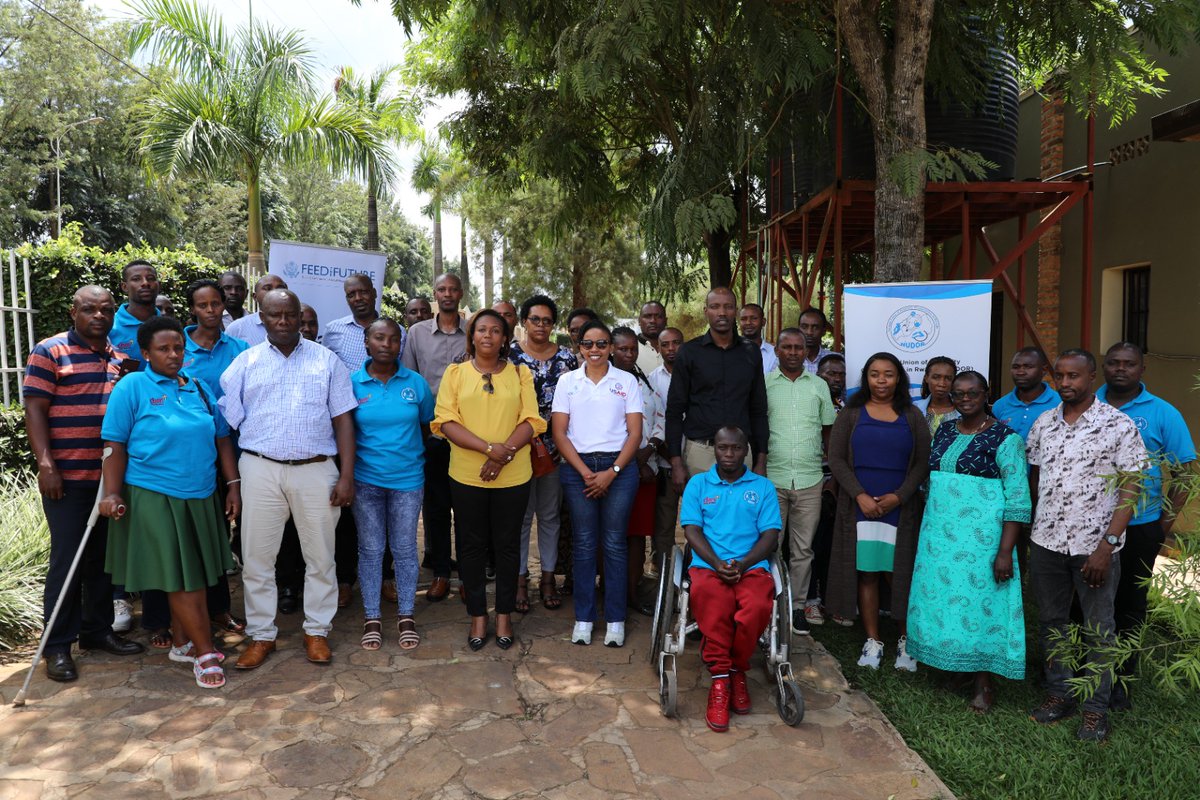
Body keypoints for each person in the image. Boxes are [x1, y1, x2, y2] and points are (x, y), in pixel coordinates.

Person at [219, 289, 358, 670]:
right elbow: (226, 426)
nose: (282, 322)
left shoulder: (327, 361)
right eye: (274, 315)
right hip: (260, 468)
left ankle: (317, 630)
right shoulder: (244, 364)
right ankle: (262, 635)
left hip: (316, 469)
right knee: (258, 560)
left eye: (289, 315)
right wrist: (233, 482)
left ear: (300, 317)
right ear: (260, 318)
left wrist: (346, 475)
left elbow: (343, 419)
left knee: (320, 558)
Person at [99, 316, 240, 689]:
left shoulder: (197, 386)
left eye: (178, 347)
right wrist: (112, 493)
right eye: (163, 349)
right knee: (181, 579)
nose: (173, 354)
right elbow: (115, 444)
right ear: (145, 353)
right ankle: (206, 652)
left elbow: (221, 438)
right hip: (154, 494)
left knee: (197, 572)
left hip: (200, 494)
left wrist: (232, 485)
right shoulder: (132, 386)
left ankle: (182, 642)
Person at [23, 286, 145, 682]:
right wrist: (46, 465)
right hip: (68, 478)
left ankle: (96, 631)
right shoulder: (50, 351)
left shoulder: (122, 359)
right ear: (73, 311)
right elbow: (35, 409)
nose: (98, 316)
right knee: (67, 563)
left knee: (101, 564)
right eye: (89, 309)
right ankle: (57, 645)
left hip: (109, 480)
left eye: (106, 310)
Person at [1026, 349, 1146, 742]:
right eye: (1059, 376)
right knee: (1053, 622)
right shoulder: (1044, 423)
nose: (1064, 383)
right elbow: (1036, 478)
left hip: (1094, 547)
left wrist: (1107, 545)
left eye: (1073, 376)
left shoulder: (1118, 425)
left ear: (1092, 377)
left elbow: (1132, 487)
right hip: (1046, 542)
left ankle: (1095, 709)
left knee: (1099, 629)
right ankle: (1059, 693)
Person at [906, 371, 1030, 713]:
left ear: (986, 393)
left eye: (972, 392)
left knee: (980, 604)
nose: (964, 398)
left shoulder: (1007, 439)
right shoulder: (945, 430)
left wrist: (1005, 551)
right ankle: (952, 667)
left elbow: (1018, 499)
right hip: (940, 539)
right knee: (947, 602)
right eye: (958, 393)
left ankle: (983, 683)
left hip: (982, 542)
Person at [432, 309, 543, 651]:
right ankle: (478, 615)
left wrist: (504, 452)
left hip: (514, 475)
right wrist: (489, 450)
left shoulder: (521, 373)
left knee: (508, 547)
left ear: (505, 338)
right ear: (472, 336)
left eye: (496, 330)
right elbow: (445, 422)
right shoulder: (456, 373)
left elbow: (531, 419)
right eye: (482, 330)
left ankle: (505, 614)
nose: (488, 336)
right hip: (467, 475)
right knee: (472, 546)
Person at [1097, 342, 1195, 711]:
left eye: (1129, 363)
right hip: (1088, 525)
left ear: (1142, 369)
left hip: (1140, 525)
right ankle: (1081, 671)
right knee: (1084, 601)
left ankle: (1120, 679)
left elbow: (1186, 471)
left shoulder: (1162, 413)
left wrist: (1163, 524)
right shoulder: (1087, 406)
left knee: (1129, 604)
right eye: (1113, 363)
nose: (1120, 369)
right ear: (1103, 367)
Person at [827, 352, 931, 671]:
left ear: (899, 378)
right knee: (868, 572)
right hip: (860, 508)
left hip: (898, 509)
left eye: (888, 374)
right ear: (866, 378)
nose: (881, 380)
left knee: (898, 573)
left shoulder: (912, 415)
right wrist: (860, 496)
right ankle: (873, 641)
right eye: (874, 374)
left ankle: (906, 641)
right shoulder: (852, 413)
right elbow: (836, 459)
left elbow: (921, 464)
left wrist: (898, 497)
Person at [680, 426, 782, 733]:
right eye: (723, 448)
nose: (728, 454)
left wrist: (744, 562)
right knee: (716, 606)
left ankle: (737, 668)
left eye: (735, 448)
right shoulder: (698, 484)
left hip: (750, 565)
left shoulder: (762, 487)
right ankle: (722, 680)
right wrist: (716, 562)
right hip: (709, 565)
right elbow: (691, 530)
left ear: (746, 450)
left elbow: (770, 535)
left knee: (755, 609)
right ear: (714, 448)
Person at [553, 319, 643, 647]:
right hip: (578, 470)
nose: (595, 350)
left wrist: (612, 472)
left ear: (610, 347)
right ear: (579, 347)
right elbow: (559, 433)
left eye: (602, 344)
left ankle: (616, 621)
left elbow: (635, 433)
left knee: (615, 544)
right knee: (585, 544)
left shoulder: (626, 381)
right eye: (588, 344)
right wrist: (585, 473)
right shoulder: (567, 382)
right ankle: (584, 618)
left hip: (618, 469)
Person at [351, 318, 435, 651]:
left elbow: (427, 426)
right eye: (379, 338)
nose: (387, 344)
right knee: (371, 550)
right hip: (365, 481)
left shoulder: (415, 383)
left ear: (401, 345)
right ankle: (372, 617)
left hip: (407, 481)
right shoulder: (352, 383)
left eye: (393, 339)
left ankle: (406, 615)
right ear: (367, 343)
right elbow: (344, 431)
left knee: (403, 549)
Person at [181, 278, 249, 636]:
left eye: (215, 304)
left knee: (225, 536)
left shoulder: (239, 348)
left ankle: (221, 609)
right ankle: (174, 619)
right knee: (194, 537)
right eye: (202, 305)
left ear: (224, 305)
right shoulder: (177, 348)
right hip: (191, 459)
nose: (210, 311)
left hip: (235, 454)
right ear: (193, 308)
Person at [322, 274, 389, 608]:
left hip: (382, 432)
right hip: (344, 429)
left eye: (364, 291)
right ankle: (346, 578)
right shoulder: (332, 331)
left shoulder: (395, 330)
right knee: (347, 508)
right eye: (352, 293)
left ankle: (387, 577)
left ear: (374, 293)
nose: (359, 297)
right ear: (346, 297)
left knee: (386, 506)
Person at [765, 328, 836, 636]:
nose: (793, 352)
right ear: (777, 351)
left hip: (809, 479)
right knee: (769, 544)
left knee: (803, 549)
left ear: (806, 351)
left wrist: (830, 471)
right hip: (771, 477)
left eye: (799, 347)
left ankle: (796, 606)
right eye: (787, 347)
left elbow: (828, 431)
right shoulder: (763, 385)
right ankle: (767, 602)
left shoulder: (819, 385)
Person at [508, 294, 577, 611]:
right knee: (520, 519)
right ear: (523, 321)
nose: (540, 325)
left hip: (556, 451)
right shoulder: (508, 356)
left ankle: (547, 580)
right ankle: (520, 581)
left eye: (547, 320)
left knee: (549, 517)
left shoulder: (567, 359)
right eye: (534, 319)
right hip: (517, 448)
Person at [665, 287, 769, 495]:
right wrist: (676, 462)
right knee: (701, 522)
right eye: (715, 307)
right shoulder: (689, 352)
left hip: (742, 453)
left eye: (728, 307)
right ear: (706, 311)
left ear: (735, 311)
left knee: (742, 521)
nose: (722, 312)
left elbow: (758, 409)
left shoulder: (751, 352)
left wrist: (761, 460)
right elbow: (675, 411)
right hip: (701, 452)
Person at [402, 273, 467, 600]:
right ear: (434, 294)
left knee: (468, 508)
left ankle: (468, 576)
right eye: (442, 289)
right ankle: (441, 572)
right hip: (432, 434)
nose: (447, 294)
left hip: (470, 435)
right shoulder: (415, 334)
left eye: (453, 289)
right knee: (437, 507)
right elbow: (409, 381)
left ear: (460, 293)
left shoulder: (474, 332)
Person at [611, 326, 664, 616]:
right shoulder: (605, 380)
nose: (629, 354)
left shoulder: (642, 380)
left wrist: (651, 449)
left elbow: (660, 415)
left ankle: (632, 593)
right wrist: (633, 462)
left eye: (633, 349)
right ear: (611, 349)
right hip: (615, 471)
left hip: (646, 470)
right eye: (623, 349)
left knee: (636, 537)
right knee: (613, 534)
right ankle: (612, 593)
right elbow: (606, 430)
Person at [806, 353, 848, 627]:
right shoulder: (809, 400)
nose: (834, 378)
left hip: (843, 483)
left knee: (837, 546)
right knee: (813, 543)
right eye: (828, 373)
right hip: (812, 481)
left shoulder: (849, 407)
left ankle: (835, 600)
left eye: (839, 374)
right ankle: (810, 600)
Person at [648, 327, 684, 571]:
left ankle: (696, 575)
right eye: (666, 344)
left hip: (695, 458)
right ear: (658, 348)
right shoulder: (652, 379)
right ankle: (663, 575)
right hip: (663, 462)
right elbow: (652, 422)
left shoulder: (696, 374)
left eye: (676, 343)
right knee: (663, 524)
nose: (671, 349)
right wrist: (670, 457)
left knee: (700, 523)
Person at [991, 347, 1060, 440]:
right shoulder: (1000, 405)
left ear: (1044, 370)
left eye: (1028, 367)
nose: (1020, 372)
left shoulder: (1060, 403)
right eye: (1016, 367)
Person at [109, 260, 161, 362]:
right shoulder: (110, 326)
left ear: (158, 285)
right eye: (136, 279)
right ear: (124, 286)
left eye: (150, 279)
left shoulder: (169, 326)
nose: (145, 283)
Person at [225, 273, 288, 346]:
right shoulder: (237, 328)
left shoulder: (297, 324)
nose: (275, 292)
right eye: (268, 288)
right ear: (255, 297)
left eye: (280, 288)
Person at [913, 356, 960, 434]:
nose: (942, 384)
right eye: (936, 377)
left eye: (948, 378)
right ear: (927, 378)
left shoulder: (963, 410)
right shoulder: (914, 409)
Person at [739, 303, 778, 373]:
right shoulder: (730, 350)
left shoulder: (774, 354)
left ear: (763, 322)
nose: (748, 322)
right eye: (743, 319)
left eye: (754, 318)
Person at [798, 307, 836, 374]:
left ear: (824, 331)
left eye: (815, 327)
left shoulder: (835, 359)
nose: (809, 332)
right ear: (798, 329)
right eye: (804, 327)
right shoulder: (786, 360)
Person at [636, 301, 667, 374]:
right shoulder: (630, 350)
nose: (653, 321)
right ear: (639, 321)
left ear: (665, 321)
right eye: (647, 316)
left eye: (658, 316)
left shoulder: (677, 349)